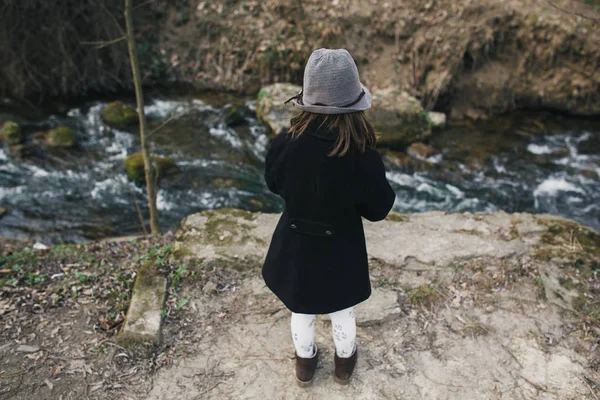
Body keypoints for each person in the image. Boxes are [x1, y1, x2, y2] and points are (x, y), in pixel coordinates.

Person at [262, 48, 396, 387]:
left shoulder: (284, 144)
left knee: (301, 310)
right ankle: (343, 365)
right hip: (342, 252)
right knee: (342, 312)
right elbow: (379, 209)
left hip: (295, 246)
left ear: (305, 99)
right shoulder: (363, 156)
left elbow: (273, 183)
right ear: (354, 106)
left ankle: (305, 366)